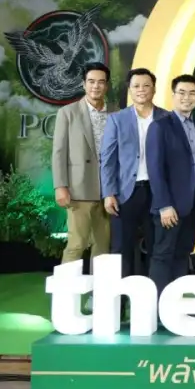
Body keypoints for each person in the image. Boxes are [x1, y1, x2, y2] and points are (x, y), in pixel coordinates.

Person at [101, 67, 168, 283]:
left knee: (157, 246)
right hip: (125, 193)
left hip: (157, 193)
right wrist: (109, 193)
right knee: (121, 247)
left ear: (154, 89)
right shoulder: (116, 119)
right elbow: (108, 159)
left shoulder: (167, 118)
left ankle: (154, 296)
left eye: (146, 85)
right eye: (136, 86)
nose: (141, 90)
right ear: (129, 90)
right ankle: (119, 299)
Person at [146, 74, 195, 296]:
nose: (186, 97)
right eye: (181, 92)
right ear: (173, 95)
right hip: (169, 207)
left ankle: (174, 303)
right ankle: (156, 307)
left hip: (192, 205)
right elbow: (155, 169)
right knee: (163, 255)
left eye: (192, 93)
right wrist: (164, 205)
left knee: (183, 254)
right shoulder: (160, 126)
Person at [52, 62, 113, 285]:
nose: (96, 86)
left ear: (107, 85)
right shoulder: (68, 113)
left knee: (103, 247)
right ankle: (64, 293)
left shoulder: (116, 112)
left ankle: (100, 295)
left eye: (101, 82)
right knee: (76, 244)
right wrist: (60, 186)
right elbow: (59, 151)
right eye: (91, 81)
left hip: (108, 191)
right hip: (78, 189)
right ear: (83, 84)